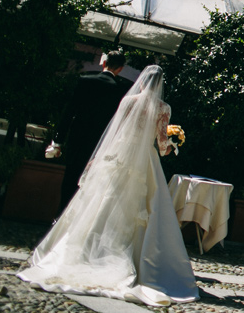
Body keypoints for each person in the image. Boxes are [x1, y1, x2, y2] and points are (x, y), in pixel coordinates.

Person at [19, 66, 198, 306]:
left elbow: (115, 132)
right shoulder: (163, 108)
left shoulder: (128, 101)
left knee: (103, 204)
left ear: (142, 82)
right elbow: (162, 147)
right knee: (143, 208)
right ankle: (137, 259)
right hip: (145, 159)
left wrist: (100, 157)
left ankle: (88, 253)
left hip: (119, 157)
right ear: (160, 84)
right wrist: (174, 144)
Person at [48, 51, 128, 210]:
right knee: (91, 182)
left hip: (77, 138)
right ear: (120, 68)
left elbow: (69, 112)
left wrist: (58, 140)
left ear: (104, 63)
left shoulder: (85, 80)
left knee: (70, 177)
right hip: (101, 143)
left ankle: (60, 215)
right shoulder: (120, 89)